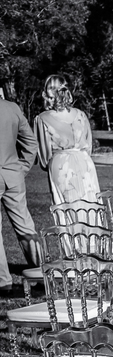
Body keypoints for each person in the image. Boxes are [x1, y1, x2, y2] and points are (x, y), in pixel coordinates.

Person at [33, 74, 100, 206]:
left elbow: (44, 154)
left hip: (61, 165)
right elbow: (88, 146)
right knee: (90, 206)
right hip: (85, 162)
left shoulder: (42, 119)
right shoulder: (81, 114)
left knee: (65, 208)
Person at [0, 92, 41, 294]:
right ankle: (42, 274)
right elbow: (31, 143)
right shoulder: (12, 108)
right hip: (13, 175)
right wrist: (21, 169)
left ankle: (3, 281)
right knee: (25, 226)